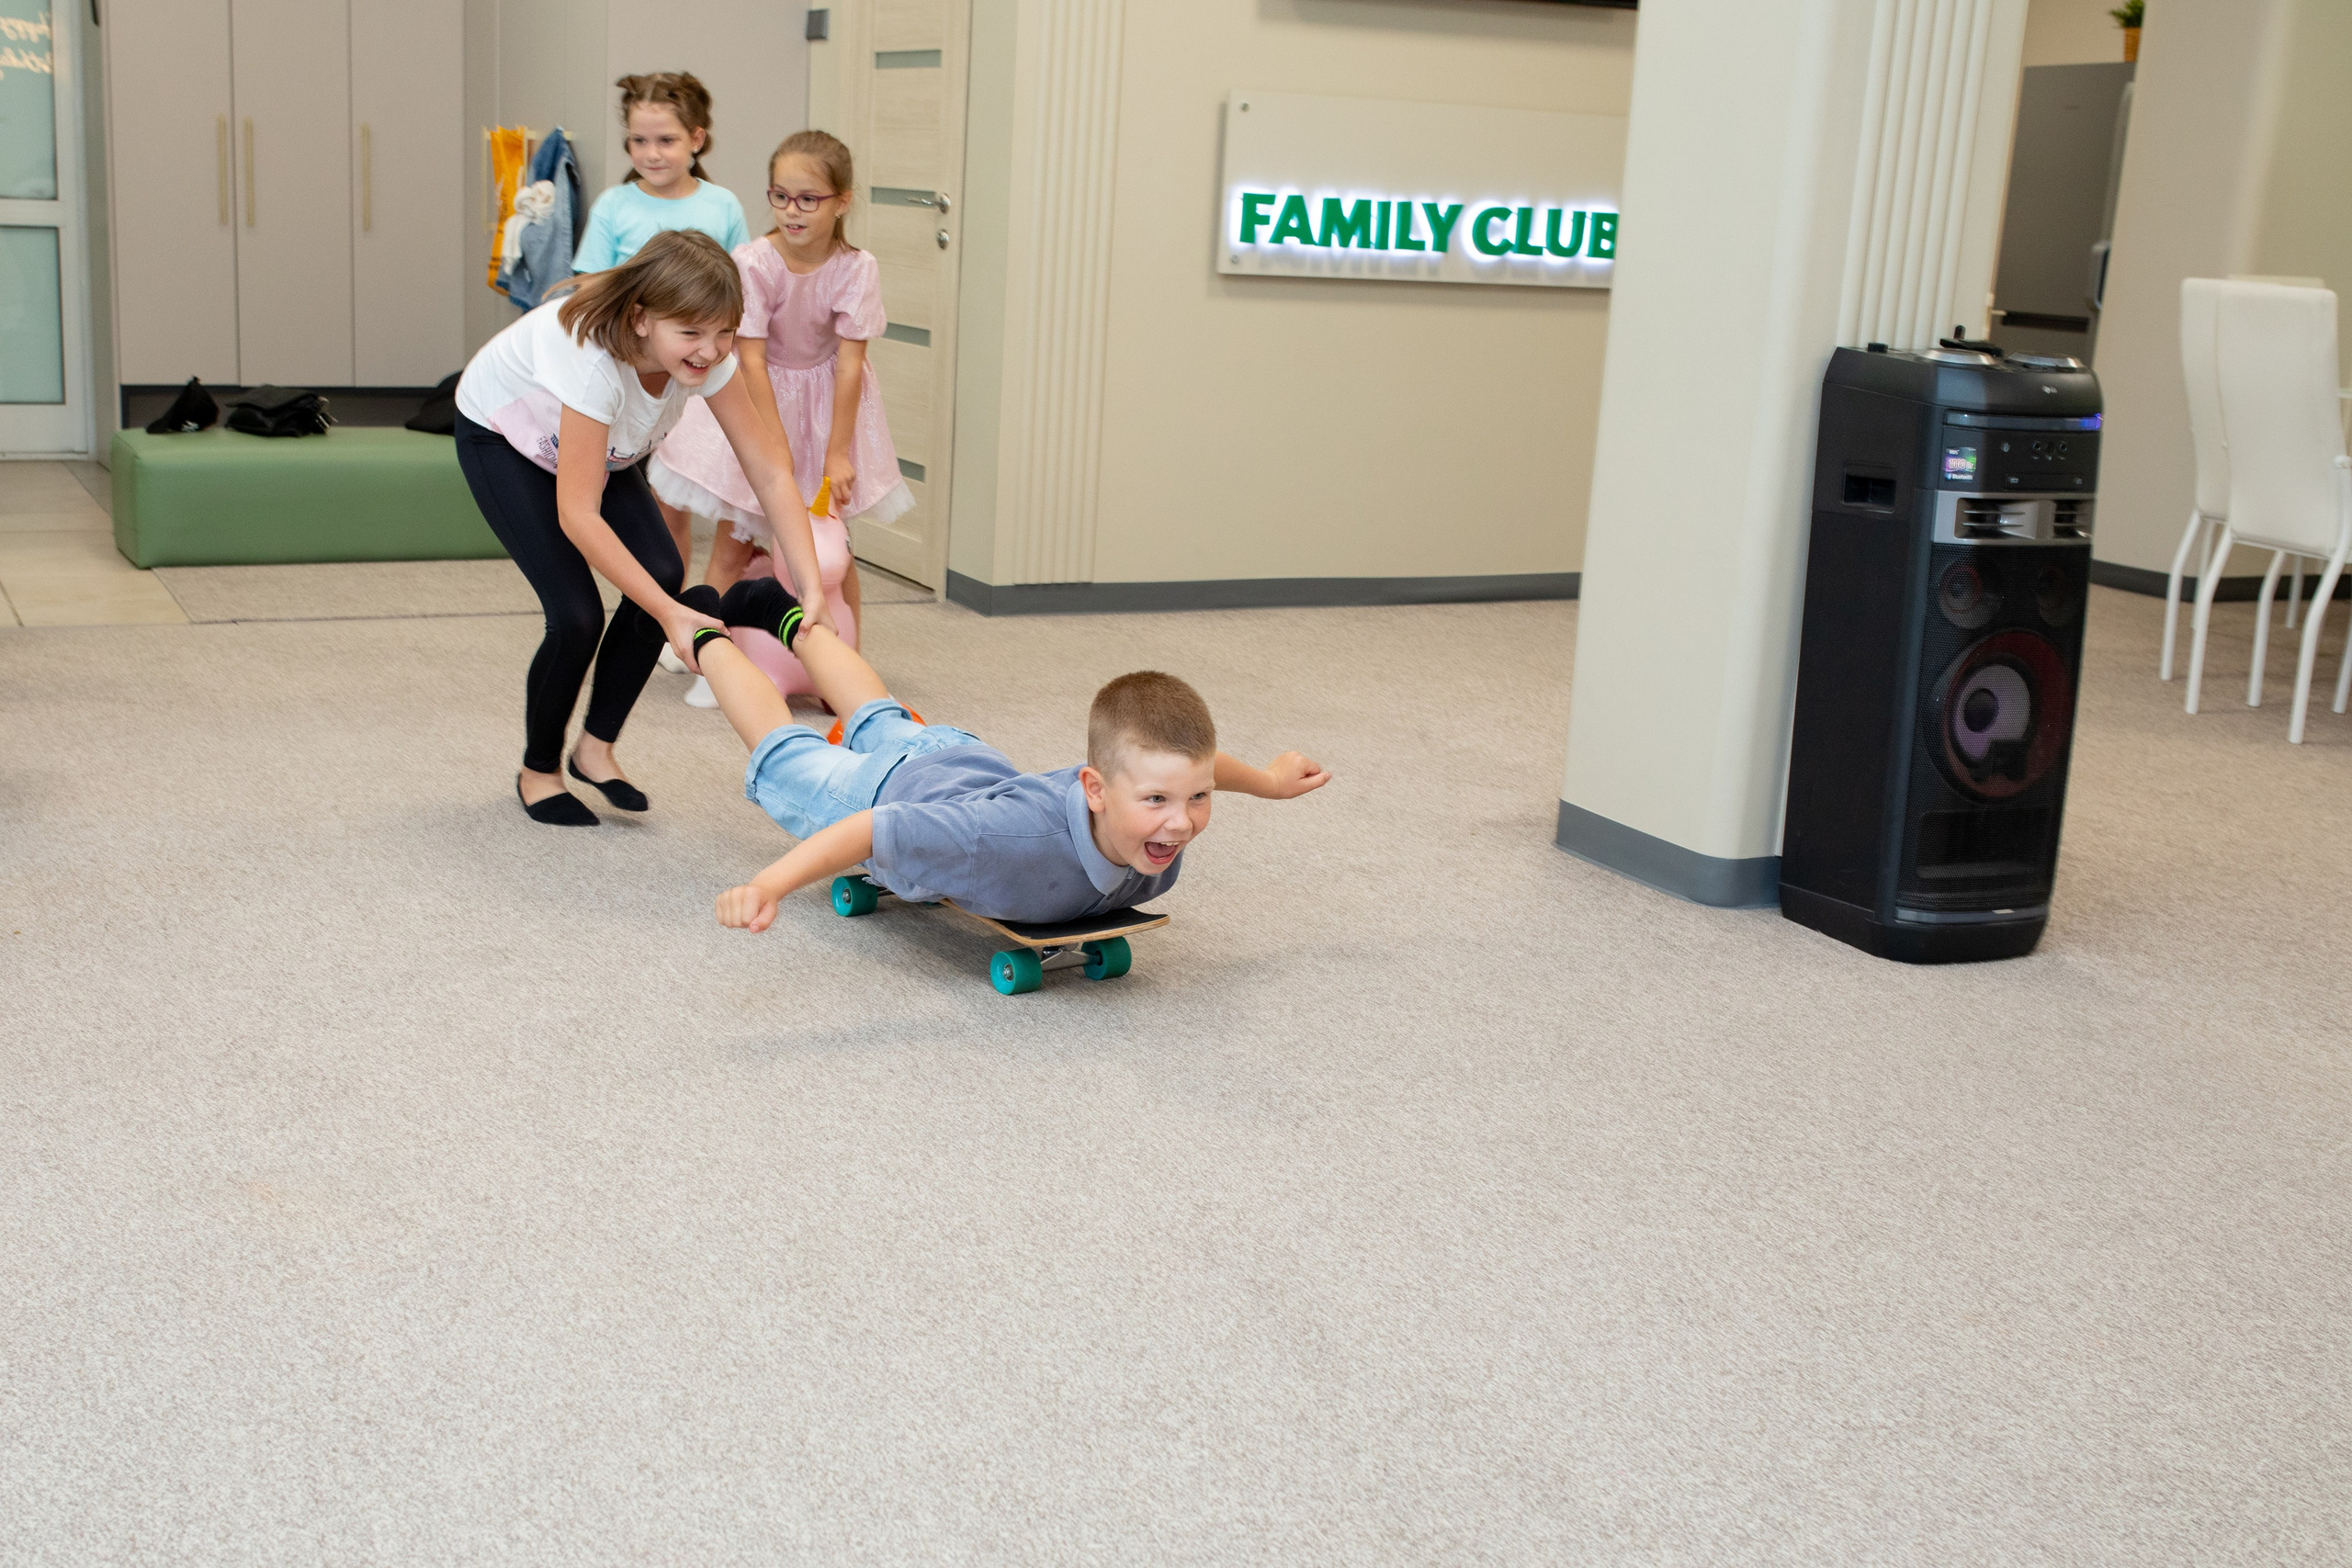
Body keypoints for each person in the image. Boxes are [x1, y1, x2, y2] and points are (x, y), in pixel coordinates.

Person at [673, 576, 1331, 934]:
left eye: (1197, 799)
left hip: (958, 756)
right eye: (1157, 800)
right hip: (887, 790)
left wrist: (1269, 782)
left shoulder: (1143, 807)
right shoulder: (1006, 841)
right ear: (1095, 789)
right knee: (786, 752)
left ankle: (784, 616)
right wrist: (768, 885)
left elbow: (1198, 762)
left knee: (880, 715)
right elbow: (872, 828)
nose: (1181, 822)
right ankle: (702, 629)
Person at [452, 230, 833, 827]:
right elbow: (577, 514)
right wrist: (669, 614)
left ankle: (594, 749)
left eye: (725, 332)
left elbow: (768, 468)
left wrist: (810, 586)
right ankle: (539, 771)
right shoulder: (592, 366)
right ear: (640, 319)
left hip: (601, 447)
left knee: (661, 572)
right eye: (692, 333)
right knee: (576, 615)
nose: (711, 350)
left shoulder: (706, 355)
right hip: (503, 435)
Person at [651, 130, 910, 707]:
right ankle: (705, 652)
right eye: (780, 197)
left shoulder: (857, 268)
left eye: (808, 199)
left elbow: (850, 365)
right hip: (758, 400)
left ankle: (845, 669)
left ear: (842, 201)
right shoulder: (754, 261)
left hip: (827, 411)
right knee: (734, 544)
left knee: (833, 551)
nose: (792, 211)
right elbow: (749, 358)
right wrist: (773, 444)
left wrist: (836, 452)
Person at [571, 71, 752, 579]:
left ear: (696, 138)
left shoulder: (722, 205)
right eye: (638, 141)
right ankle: (662, 601)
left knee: (681, 498)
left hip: (699, 374)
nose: (651, 154)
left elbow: (738, 289)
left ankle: (685, 602)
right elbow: (588, 289)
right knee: (657, 503)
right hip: (635, 375)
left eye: (666, 140)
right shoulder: (615, 204)